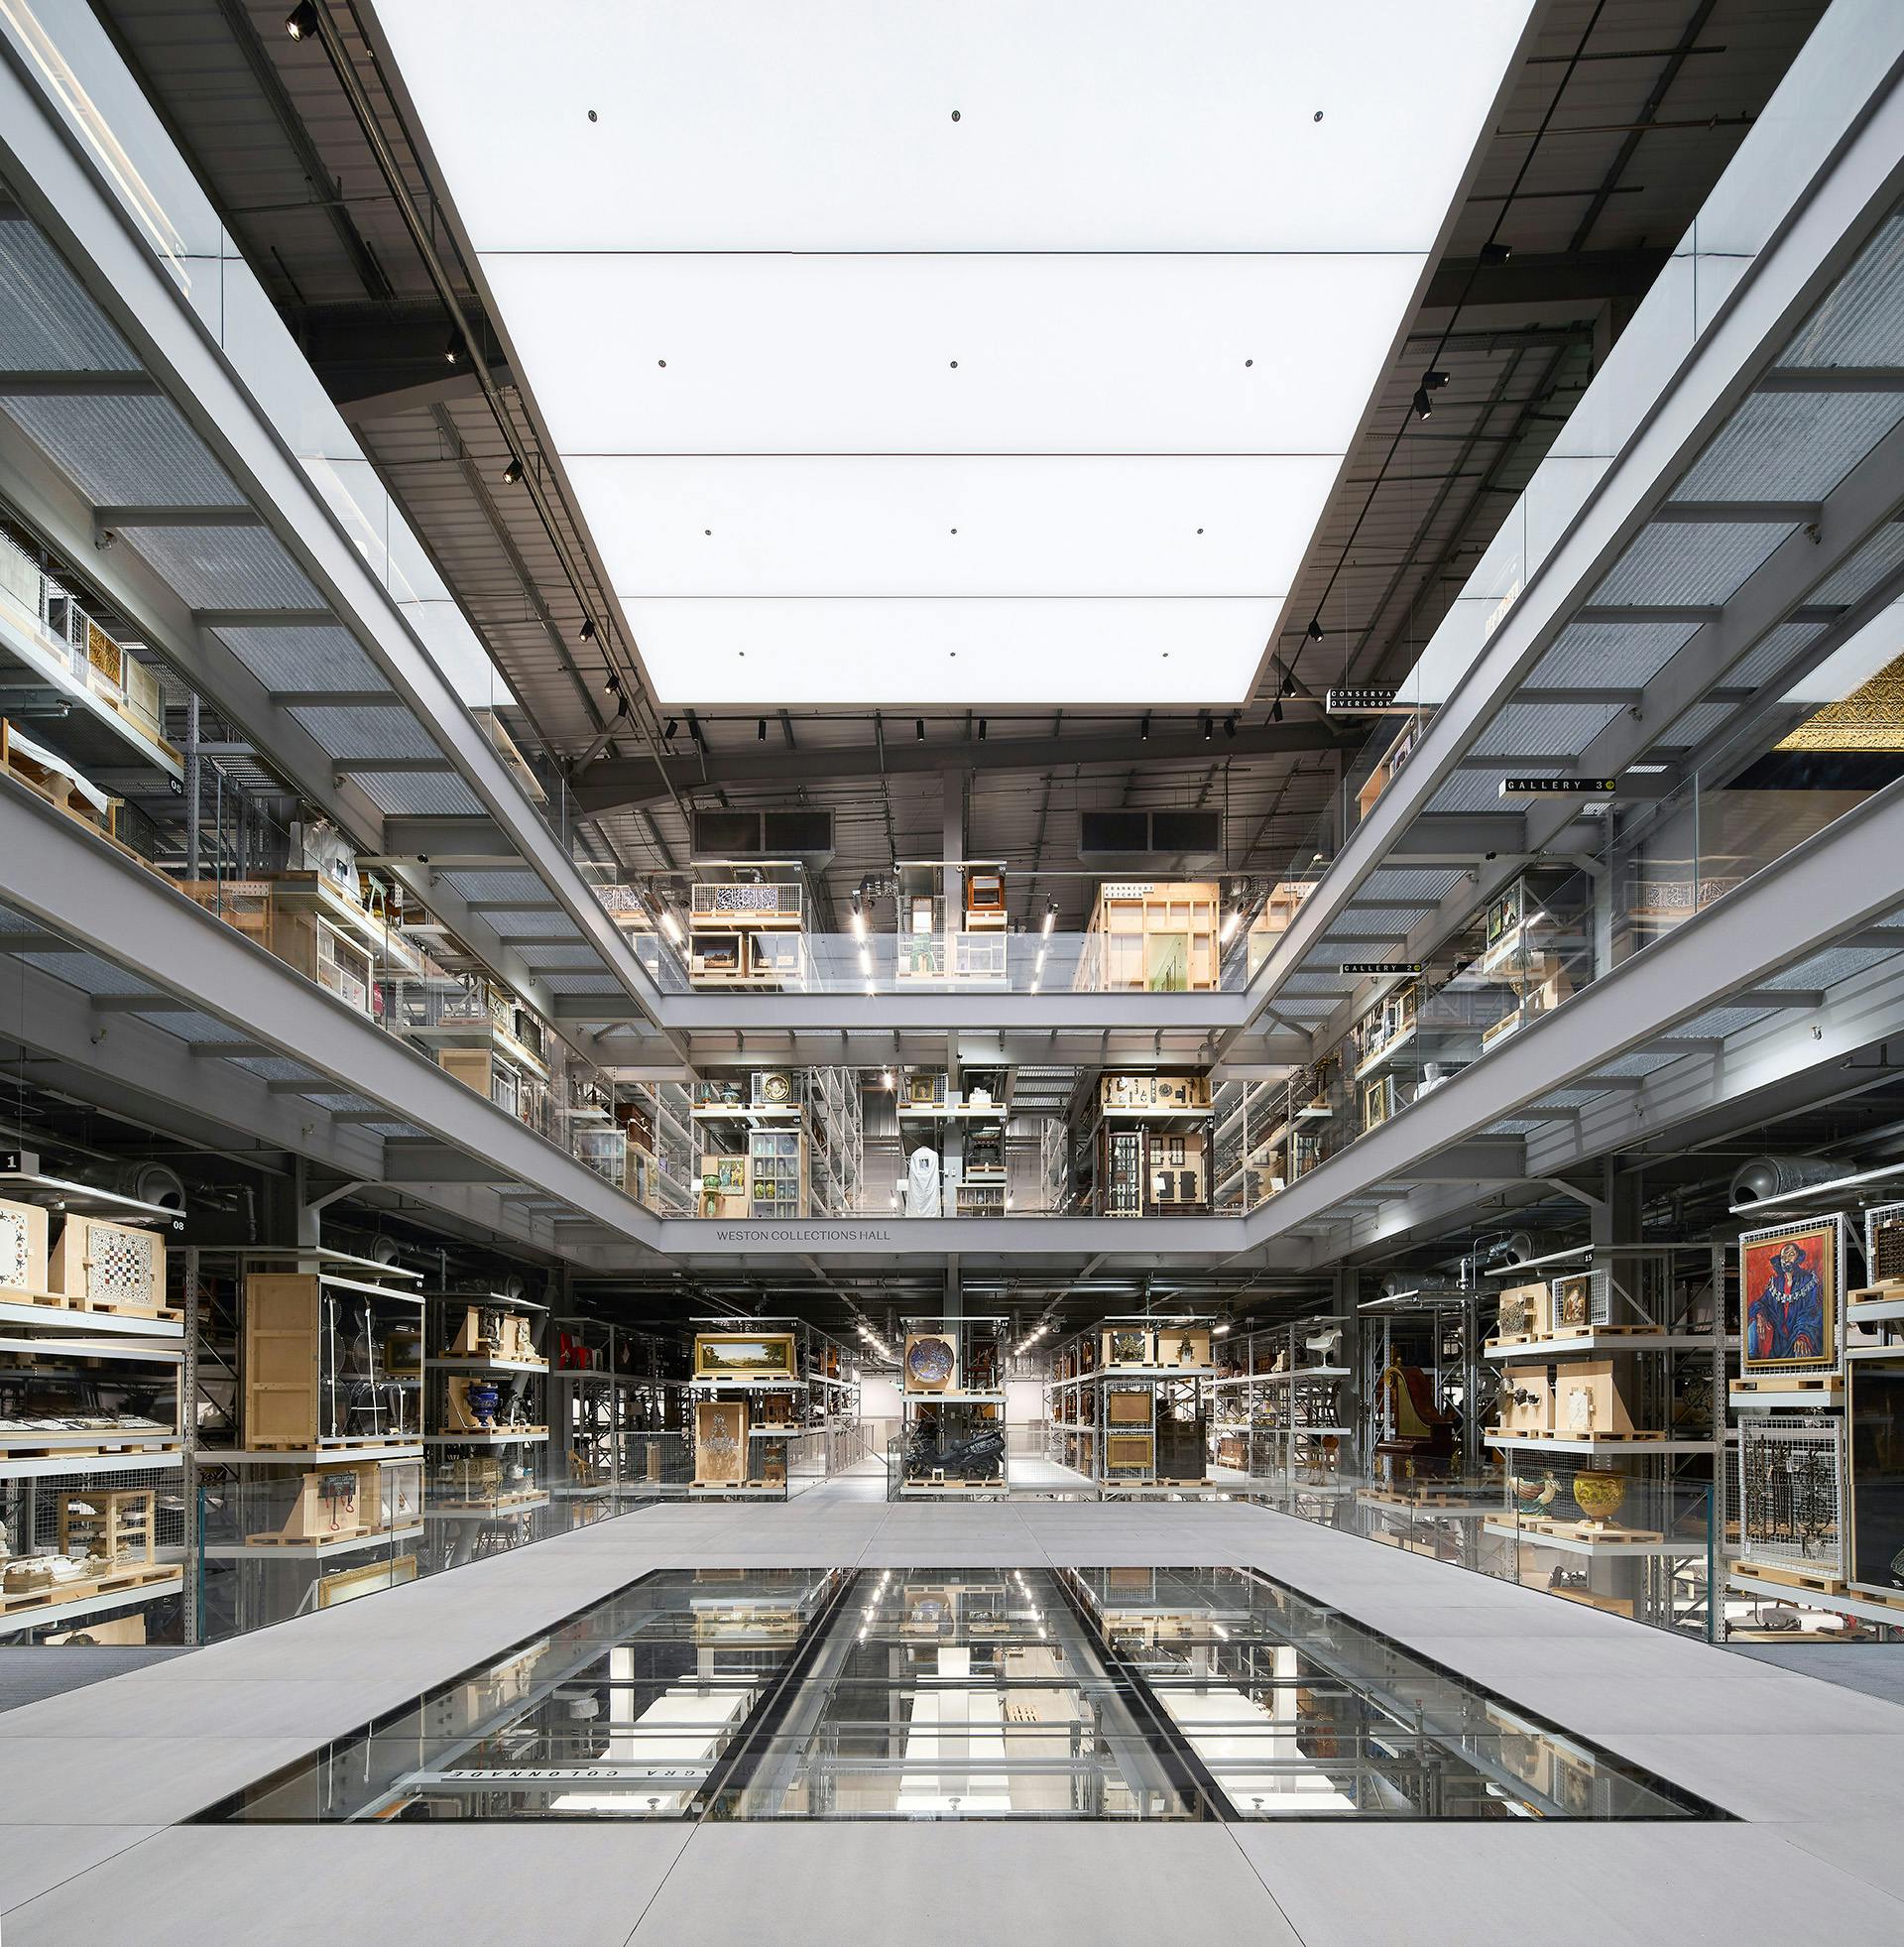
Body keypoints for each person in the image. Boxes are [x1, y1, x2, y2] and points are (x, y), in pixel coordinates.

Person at [1747, 1238, 1827, 1363]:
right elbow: (1762, 1303)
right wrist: (1760, 1315)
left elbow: (1812, 1312)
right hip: (1778, 1336)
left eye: (1791, 1255)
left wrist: (1802, 1335)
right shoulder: (1776, 1283)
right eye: (1783, 1255)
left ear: (1798, 1259)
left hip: (1799, 1331)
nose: (1786, 1259)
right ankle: (1752, 1361)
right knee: (1752, 1325)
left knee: (1802, 1347)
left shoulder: (1809, 1280)